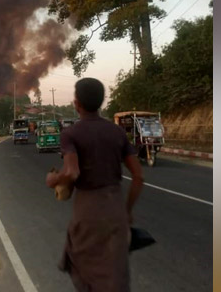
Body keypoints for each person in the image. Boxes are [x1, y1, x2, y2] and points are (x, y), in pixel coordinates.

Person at [46, 78, 144, 291]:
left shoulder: (71, 134)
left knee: (85, 270)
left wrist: (53, 180)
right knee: (114, 275)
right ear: (101, 102)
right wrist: (127, 211)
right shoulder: (117, 132)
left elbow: (72, 172)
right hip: (116, 210)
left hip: (88, 213)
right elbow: (138, 176)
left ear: (76, 103)